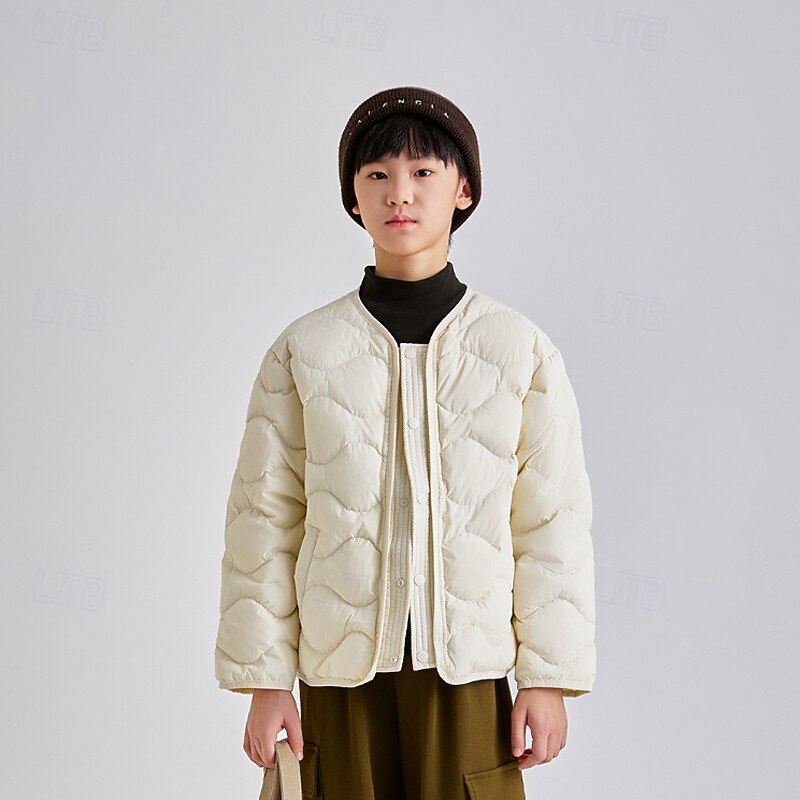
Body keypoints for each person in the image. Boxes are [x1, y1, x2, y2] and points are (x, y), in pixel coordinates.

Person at [214, 86, 596, 800]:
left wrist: (547, 678)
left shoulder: (517, 349)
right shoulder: (305, 350)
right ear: (354, 199)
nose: (400, 193)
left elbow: (551, 523)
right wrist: (266, 681)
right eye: (378, 174)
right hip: (339, 673)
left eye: (423, 172)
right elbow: (263, 522)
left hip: (468, 674)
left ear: (463, 190)